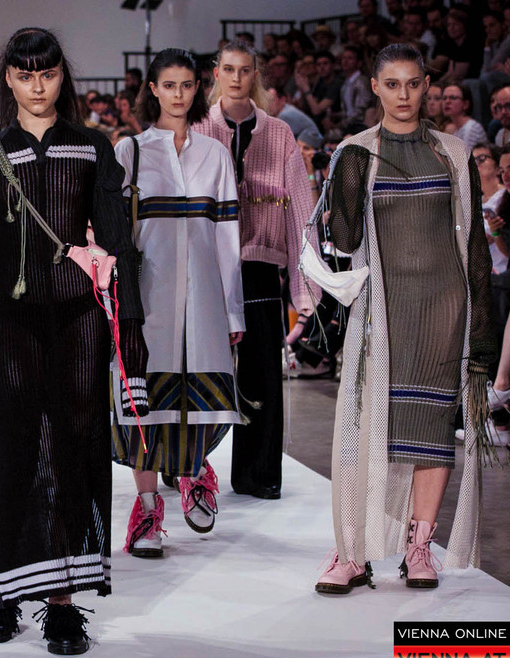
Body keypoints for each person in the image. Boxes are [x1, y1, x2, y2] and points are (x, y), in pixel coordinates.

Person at [0, 27, 147, 655]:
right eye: (25, 74)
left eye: (47, 73)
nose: (37, 86)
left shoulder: (92, 148)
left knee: (75, 452)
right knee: (14, 457)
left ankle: (63, 605)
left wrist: (132, 333)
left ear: (62, 76)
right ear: (8, 80)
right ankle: (1, 591)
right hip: (10, 324)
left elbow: (118, 246)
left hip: (80, 322)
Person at [314, 43, 496, 595]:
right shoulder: (358, 151)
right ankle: (354, 549)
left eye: (413, 84)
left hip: (444, 309)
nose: (403, 95)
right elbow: (346, 239)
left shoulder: (452, 153)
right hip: (383, 313)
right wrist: (340, 182)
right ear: (374, 86)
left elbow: (476, 248)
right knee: (368, 428)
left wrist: (482, 332)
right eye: (392, 84)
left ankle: (419, 548)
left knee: (432, 430)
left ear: (426, 86)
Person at [112, 49, 243, 558]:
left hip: (205, 295)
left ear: (198, 88)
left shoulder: (215, 154)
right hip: (148, 296)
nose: (179, 94)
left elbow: (227, 236)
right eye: (169, 85)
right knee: (143, 405)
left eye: (187, 85)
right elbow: (119, 235)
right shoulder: (131, 152)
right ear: (153, 89)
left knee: (203, 400)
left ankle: (194, 474)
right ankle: (147, 508)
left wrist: (232, 308)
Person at [193, 40, 317, 500]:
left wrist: (304, 289)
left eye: (245, 70)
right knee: (200, 370)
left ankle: (258, 473)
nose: (237, 77)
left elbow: (300, 210)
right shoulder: (198, 127)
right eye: (229, 69)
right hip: (207, 266)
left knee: (262, 372)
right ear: (216, 73)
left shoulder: (279, 134)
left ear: (255, 75)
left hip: (260, 265)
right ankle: (186, 466)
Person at [442, 84, 487, 149]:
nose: (447, 101)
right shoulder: (450, 128)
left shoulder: (472, 128)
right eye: (444, 98)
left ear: (465, 104)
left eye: (452, 98)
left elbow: (465, 155)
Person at [339, 45, 373, 127]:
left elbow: (361, 109)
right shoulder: (345, 83)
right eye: (343, 58)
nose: (345, 61)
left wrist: (343, 124)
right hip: (350, 124)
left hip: (361, 125)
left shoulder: (361, 81)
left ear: (359, 63)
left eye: (350, 58)